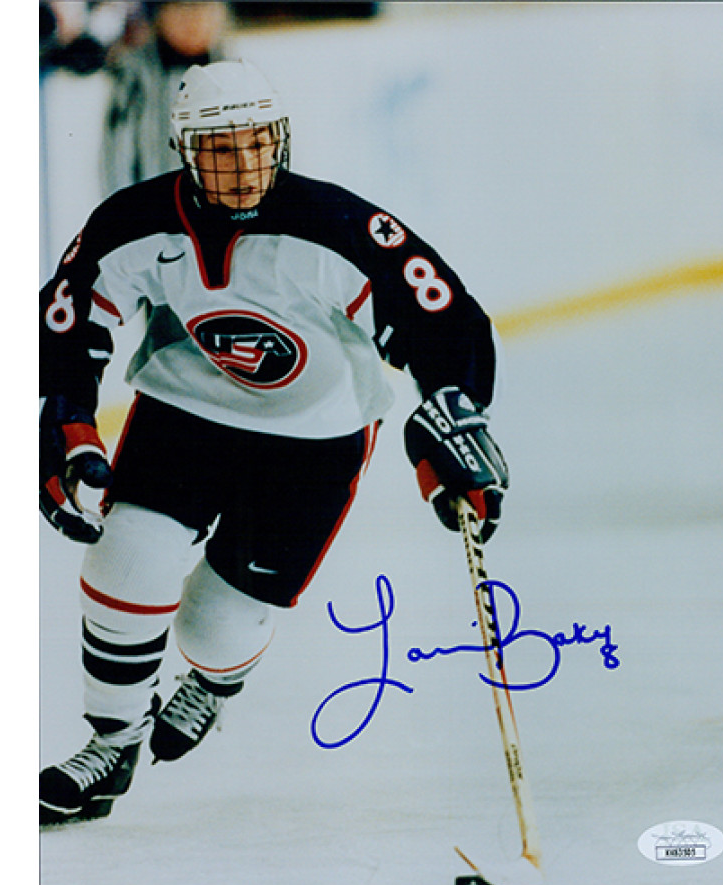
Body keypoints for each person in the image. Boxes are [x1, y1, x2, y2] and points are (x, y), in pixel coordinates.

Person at [39, 59, 508, 826]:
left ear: (280, 139)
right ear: (186, 150)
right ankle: (112, 744)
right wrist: (67, 419)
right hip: (185, 410)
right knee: (126, 561)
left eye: (258, 143)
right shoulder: (134, 221)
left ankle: (213, 682)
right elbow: (67, 317)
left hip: (314, 439)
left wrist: (456, 412)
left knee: (213, 626)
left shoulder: (336, 225)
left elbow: (445, 318)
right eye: (222, 148)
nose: (245, 164)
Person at [100, 1, 229, 194]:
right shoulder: (136, 75)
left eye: (203, 10)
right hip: (151, 203)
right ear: (160, 17)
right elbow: (116, 154)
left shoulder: (233, 75)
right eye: (181, 11)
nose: (194, 22)